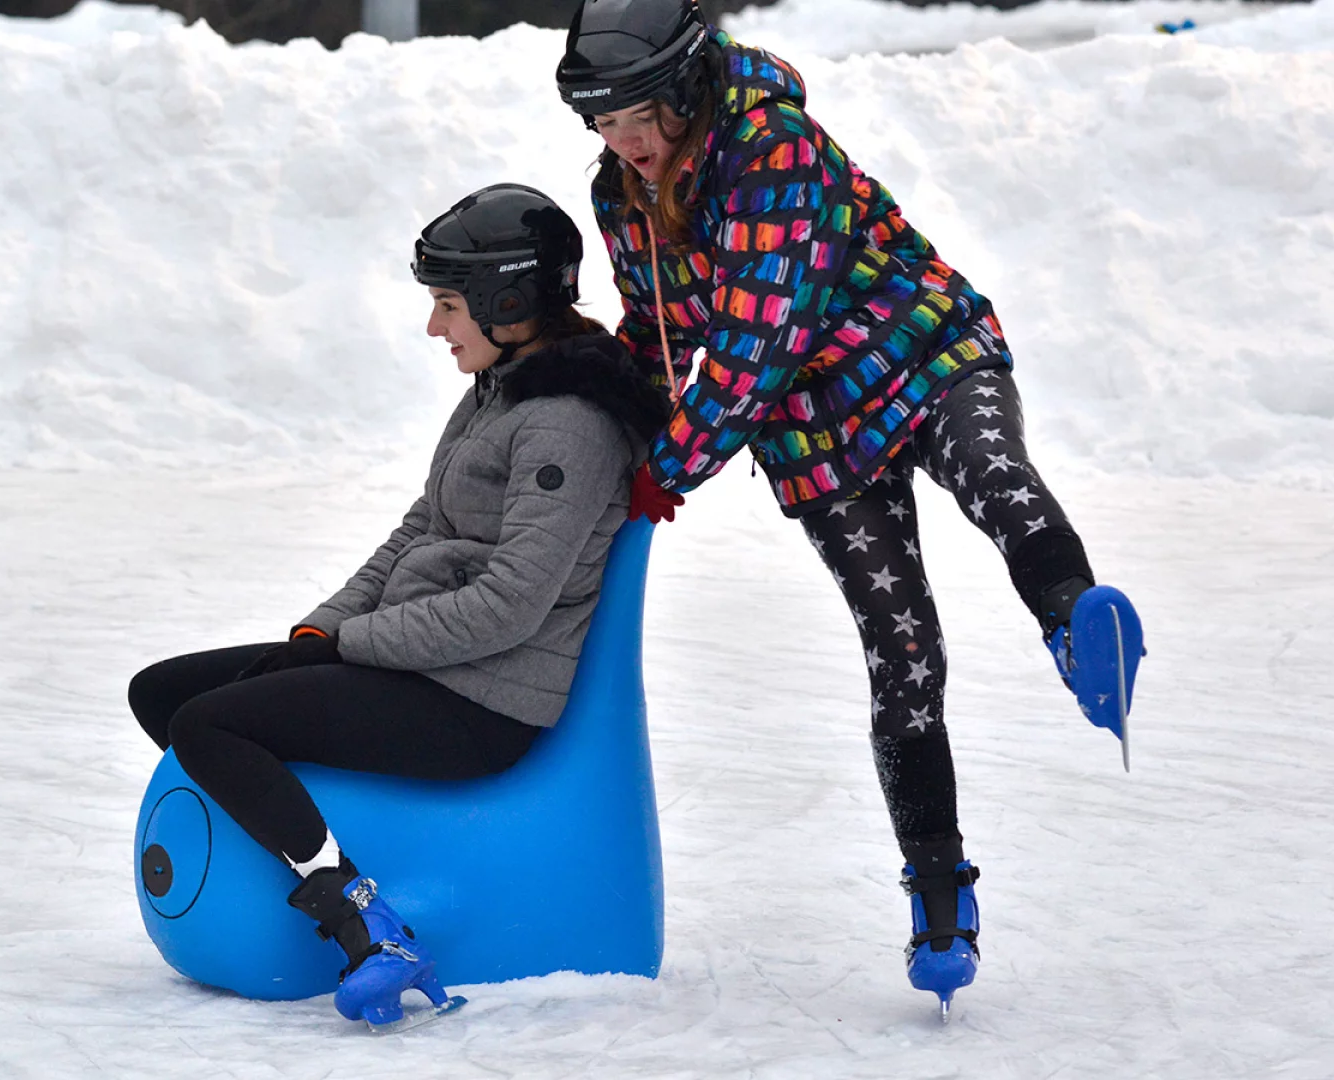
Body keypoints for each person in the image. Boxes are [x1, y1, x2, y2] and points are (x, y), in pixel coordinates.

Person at [554, 0, 1146, 1015]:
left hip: (920, 352)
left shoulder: (771, 148)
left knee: (993, 471)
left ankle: (1075, 620)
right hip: (812, 432)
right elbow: (659, 334)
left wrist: (674, 467)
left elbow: (757, 341)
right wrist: (610, 421)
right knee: (901, 647)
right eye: (604, 125)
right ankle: (939, 892)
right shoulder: (622, 194)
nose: (626, 144)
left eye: (639, 117)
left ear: (686, 88)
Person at [126, 184, 668, 1028]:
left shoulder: (567, 424)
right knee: (163, 692)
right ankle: (310, 844)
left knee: (210, 726)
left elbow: (508, 607)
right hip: (420, 663)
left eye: (448, 305)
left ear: (507, 301)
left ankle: (365, 926)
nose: (433, 327)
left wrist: (352, 646)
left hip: (478, 700)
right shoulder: (503, 388)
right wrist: (323, 627)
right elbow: (422, 527)